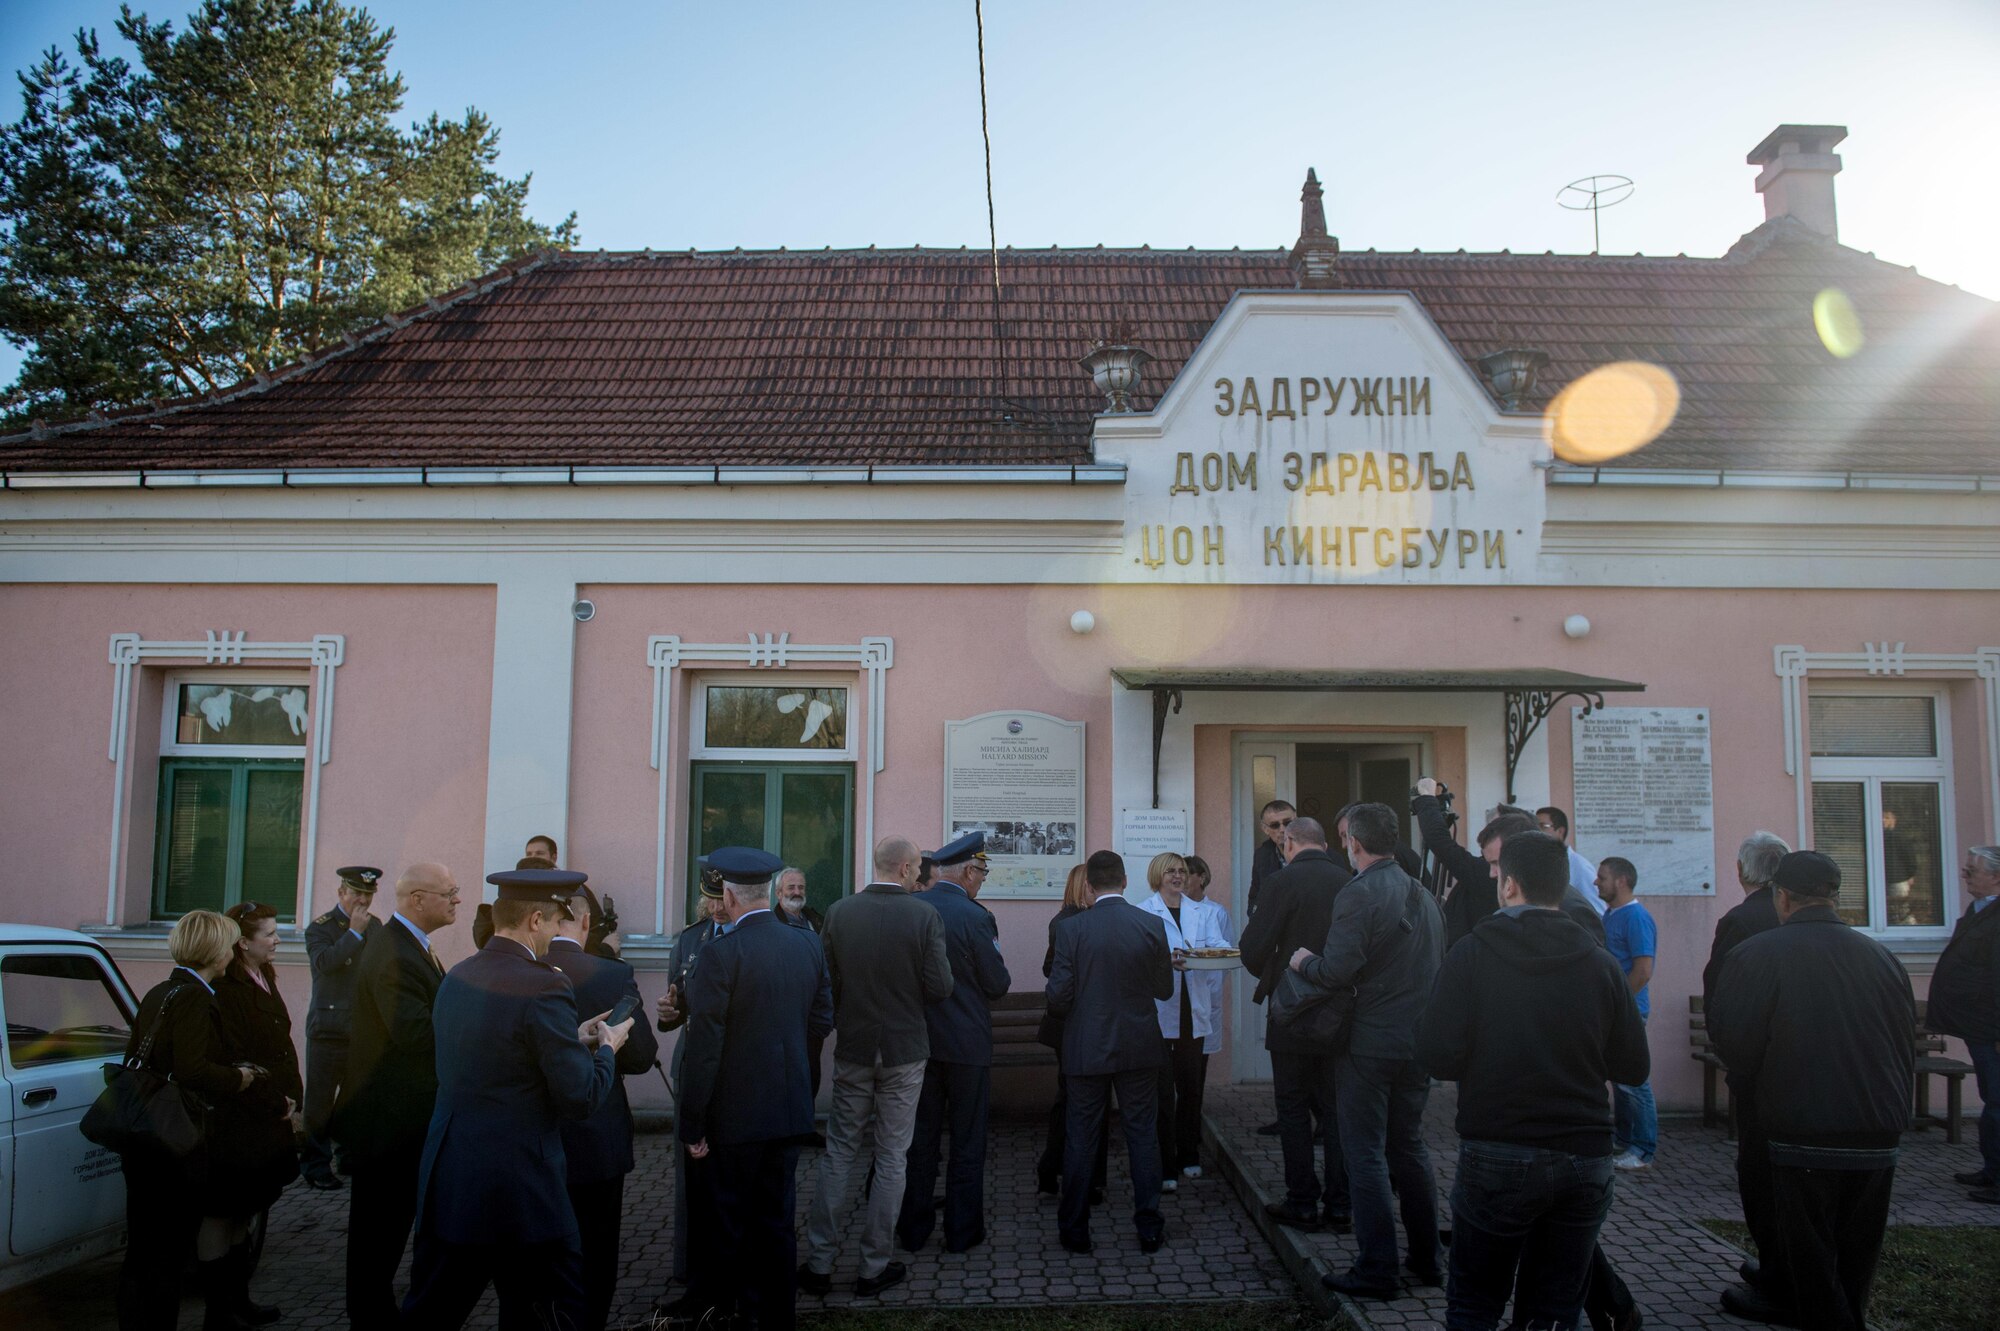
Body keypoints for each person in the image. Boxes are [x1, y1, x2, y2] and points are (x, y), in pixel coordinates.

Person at [1418, 831, 1649, 1330]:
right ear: (1562, 887)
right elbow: (1633, 1067)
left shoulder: (1471, 954)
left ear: (1508, 886)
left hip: (1499, 1148)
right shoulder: (1601, 963)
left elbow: (1437, 1055)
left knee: (1475, 1304)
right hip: (1584, 1154)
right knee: (1552, 1311)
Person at [401, 867, 631, 1330]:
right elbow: (580, 1097)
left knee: (431, 1314)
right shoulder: (544, 983)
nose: (554, 934)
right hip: (522, 1190)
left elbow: (497, 1054)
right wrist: (607, 1048)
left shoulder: (457, 976)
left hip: (453, 1181)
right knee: (549, 1313)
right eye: (553, 922)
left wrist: (574, 1038)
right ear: (535, 920)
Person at [1708, 851, 1916, 1331]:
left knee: (1811, 1261)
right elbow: (1903, 1043)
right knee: (1855, 1258)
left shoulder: (1758, 954)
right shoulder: (1882, 957)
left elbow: (1736, 1046)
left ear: (1781, 897)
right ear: (1835, 898)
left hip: (1801, 1131)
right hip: (1877, 1130)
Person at [1289, 802, 1445, 1300]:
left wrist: (1304, 961)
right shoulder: (1425, 894)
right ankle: (1427, 1259)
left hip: (1369, 1044)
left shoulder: (1359, 893)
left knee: (1365, 1154)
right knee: (1410, 1148)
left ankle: (1378, 1268)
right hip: (1417, 1042)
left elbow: (1336, 971)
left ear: (1353, 843)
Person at [678, 847, 836, 1331]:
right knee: (775, 1222)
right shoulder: (807, 944)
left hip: (734, 1116)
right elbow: (823, 1018)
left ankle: (740, 1314)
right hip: (788, 1108)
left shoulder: (719, 954)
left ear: (726, 895)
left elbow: (705, 1047)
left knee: (730, 1226)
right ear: (768, 890)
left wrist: (692, 1122)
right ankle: (777, 1316)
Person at [799, 835, 953, 1299]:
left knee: (840, 1152)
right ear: (906, 869)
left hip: (856, 1047)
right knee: (891, 1155)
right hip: (905, 1049)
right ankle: (873, 1266)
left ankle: (820, 1262)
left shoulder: (841, 912)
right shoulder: (924, 915)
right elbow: (941, 986)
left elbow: (826, 981)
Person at [114, 910, 264, 1331]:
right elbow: (193, 1070)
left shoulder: (161, 990)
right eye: (230, 945)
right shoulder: (197, 998)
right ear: (216, 953)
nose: (233, 953)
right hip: (174, 1141)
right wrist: (239, 1077)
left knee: (142, 1249)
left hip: (143, 1136)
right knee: (167, 1253)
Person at [331, 861, 459, 1328]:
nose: (456, 900)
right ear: (417, 899)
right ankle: (369, 1319)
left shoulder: (409, 945)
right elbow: (415, 1033)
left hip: (399, 1120)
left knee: (383, 1235)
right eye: (449, 892)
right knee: (376, 1240)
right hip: (387, 1126)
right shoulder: (394, 952)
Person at [1047, 849, 1175, 1254]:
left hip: (1086, 1046)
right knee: (1142, 1135)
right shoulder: (1151, 924)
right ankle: (1149, 1225)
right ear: (1123, 881)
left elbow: (1058, 997)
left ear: (1089, 885)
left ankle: (1075, 1228)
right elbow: (1164, 989)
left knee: (1081, 1137)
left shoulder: (1073, 929)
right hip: (1139, 1044)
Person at [548, 886, 659, 1331]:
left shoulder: (513, 970)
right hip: (596, 1139)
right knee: (594, 1258)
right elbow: (640, 1055)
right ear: (587, 923)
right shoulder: (610, 974)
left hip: (532, 1140)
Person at [899, 832, 1012, 1253]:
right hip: (966, 1047)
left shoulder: (910, 910)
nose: (982, 880)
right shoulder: (975, 916)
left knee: (919, 1141)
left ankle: (912, 1229)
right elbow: (997, 983)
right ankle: (962, 1233)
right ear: (967, 871)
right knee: (967, 1142)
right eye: (982, 872)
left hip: (917, 1046)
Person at [1240, 816, 1352, 1231]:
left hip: (1290, 1011)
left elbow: (1251, 949)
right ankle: (1341, 1204)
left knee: (1292, 1108)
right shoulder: (1348, 882)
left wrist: (1275, 970)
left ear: (1288, 844)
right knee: (1338, 1110)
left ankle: (1302, 1200)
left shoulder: (1280, 883)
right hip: (1341, 1013)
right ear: (1325, 844)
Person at [1701, 830, 1790, 1302]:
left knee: (1759, 1172)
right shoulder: (1792, 918)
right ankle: (1780, 1264)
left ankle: (1777, 1272)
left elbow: (1721, 992)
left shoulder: (1741, 920)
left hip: (1757, 1068)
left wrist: (1730, 1054)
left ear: (1740, 871)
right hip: (1794, 1066)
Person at [211, 901, 304, 1326]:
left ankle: (238, 1301)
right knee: (225, 1209)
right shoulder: (228, 989)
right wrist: (273, 1099)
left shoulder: (263, 973)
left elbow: (278, 1041)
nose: (277, 939)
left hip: (270, 1110)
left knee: (246, 1210)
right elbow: (239, 1055)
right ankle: (220, 1310)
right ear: (243, 943)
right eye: (269, 933)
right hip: (243, 1118)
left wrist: (290, 1096)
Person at [652, 860, 725, 1309]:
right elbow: (675, 1006)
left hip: (733, 1072)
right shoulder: (690, 939)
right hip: (691, 1066)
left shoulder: (751, 937)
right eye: (710, 899)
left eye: (723, 899)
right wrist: (668, 1014)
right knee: (689, 1176)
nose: (717, 908)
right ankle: (690, 1265)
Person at [1138, 851, 1230, 1188]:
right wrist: (1167, 959)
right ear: (1157, 876)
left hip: (1194, 1007)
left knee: (1191, 1087)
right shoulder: (1143, 912)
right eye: (1170, 871)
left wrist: (1207, 954)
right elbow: (1138, 957)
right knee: (1162, 1091)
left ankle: (1188, 1153)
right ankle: (1164, 1163)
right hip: (1160, 1009)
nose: (1177, 876)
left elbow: (1219, 946)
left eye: (1181, 871)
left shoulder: (1203, 912)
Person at [1926, 844, 2000, 1204]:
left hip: (1993, 1029)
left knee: (1998, 1102)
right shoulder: (1979, 910)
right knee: (1992, 1099)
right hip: (1980, 1027)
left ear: (1997, 877)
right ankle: (1992, 1170)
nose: (1964, 874)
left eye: (1972, 870)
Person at [299, 864, 379, 1191]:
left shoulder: (376, 927)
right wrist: (354, 934)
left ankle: (348, 1156)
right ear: (341, 893)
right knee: (319, 1103)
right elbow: (324, 963)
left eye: (368, 895)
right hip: (328, 1028)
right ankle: (315, 1165)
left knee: (355, 1099)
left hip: (361, 1028)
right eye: (356, 893)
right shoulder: (321, 928)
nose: (362, 900)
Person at [1036, 863, 1109, 1200]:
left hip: (1068, 1024)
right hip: (1074, 1024)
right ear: (1086, 888)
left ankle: (1055, 1170)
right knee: (1079, 1100)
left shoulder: (1065, 921)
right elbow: (1056, 971)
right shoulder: (1071, 922)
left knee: (1070, 1098)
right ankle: (1077, 1175)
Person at [1414, 780, 1536, 948]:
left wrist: (1426, 799)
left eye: (1496, 826)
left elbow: (1442, 844)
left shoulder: (1493, 874)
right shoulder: (1505, 871)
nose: (1488, 831)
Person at [1595, 857, 1658, 1171]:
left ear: (1621, 881)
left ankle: (1644, 1148)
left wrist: (1620, 1005)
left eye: (1602, 877)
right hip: (1615, 1011)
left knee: (1634, 1082)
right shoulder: (1611, 914)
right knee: (1619, 1080)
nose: (1596, 882)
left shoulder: (1635, 917)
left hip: (1630, 1012)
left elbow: (1643, 970)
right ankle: (1623, 1138)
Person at [1247, 799, 1294, 916]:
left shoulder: (1317, 850)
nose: (1282, 829)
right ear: (1265, 829)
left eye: (1288, 823)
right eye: (1275, 825)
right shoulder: (1262, 856)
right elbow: (1255, 897)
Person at [776, 865, 825, 932]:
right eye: (791, 888)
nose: (797, 893)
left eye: (801, 887)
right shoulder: (773, 925)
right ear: (779, 893)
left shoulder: (817, 920)